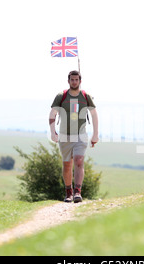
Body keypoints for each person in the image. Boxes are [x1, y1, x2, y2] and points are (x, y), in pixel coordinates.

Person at [49, 70, 99, 203]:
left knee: (78, 160)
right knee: (67, 165)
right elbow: (52, 114)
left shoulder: (85, 96)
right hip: (64, 136)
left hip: (81, 136)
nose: (74, 82)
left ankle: (77, 191)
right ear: (68, 81)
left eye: (77, 80)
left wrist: (95, 135)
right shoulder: (62, 96)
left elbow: (94, 115)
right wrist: (53, 131)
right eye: (72, 79)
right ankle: (68, 192)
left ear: (80, 81)